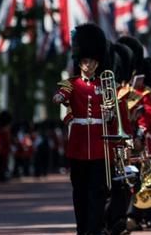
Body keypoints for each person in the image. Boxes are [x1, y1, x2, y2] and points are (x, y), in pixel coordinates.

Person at [53, 23, 110, 235]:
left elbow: (112, 113)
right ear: (80, 61)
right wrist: (59, 98)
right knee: (80, 193)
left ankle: (93, 230)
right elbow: (62, 94)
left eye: (92, 61)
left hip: (98, 146)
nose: (89, 65)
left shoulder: (105, 85)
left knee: (97, 192)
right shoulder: (71, 83)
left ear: (98, 62)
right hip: (78, 146)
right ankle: (82, 229)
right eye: (85, 61)